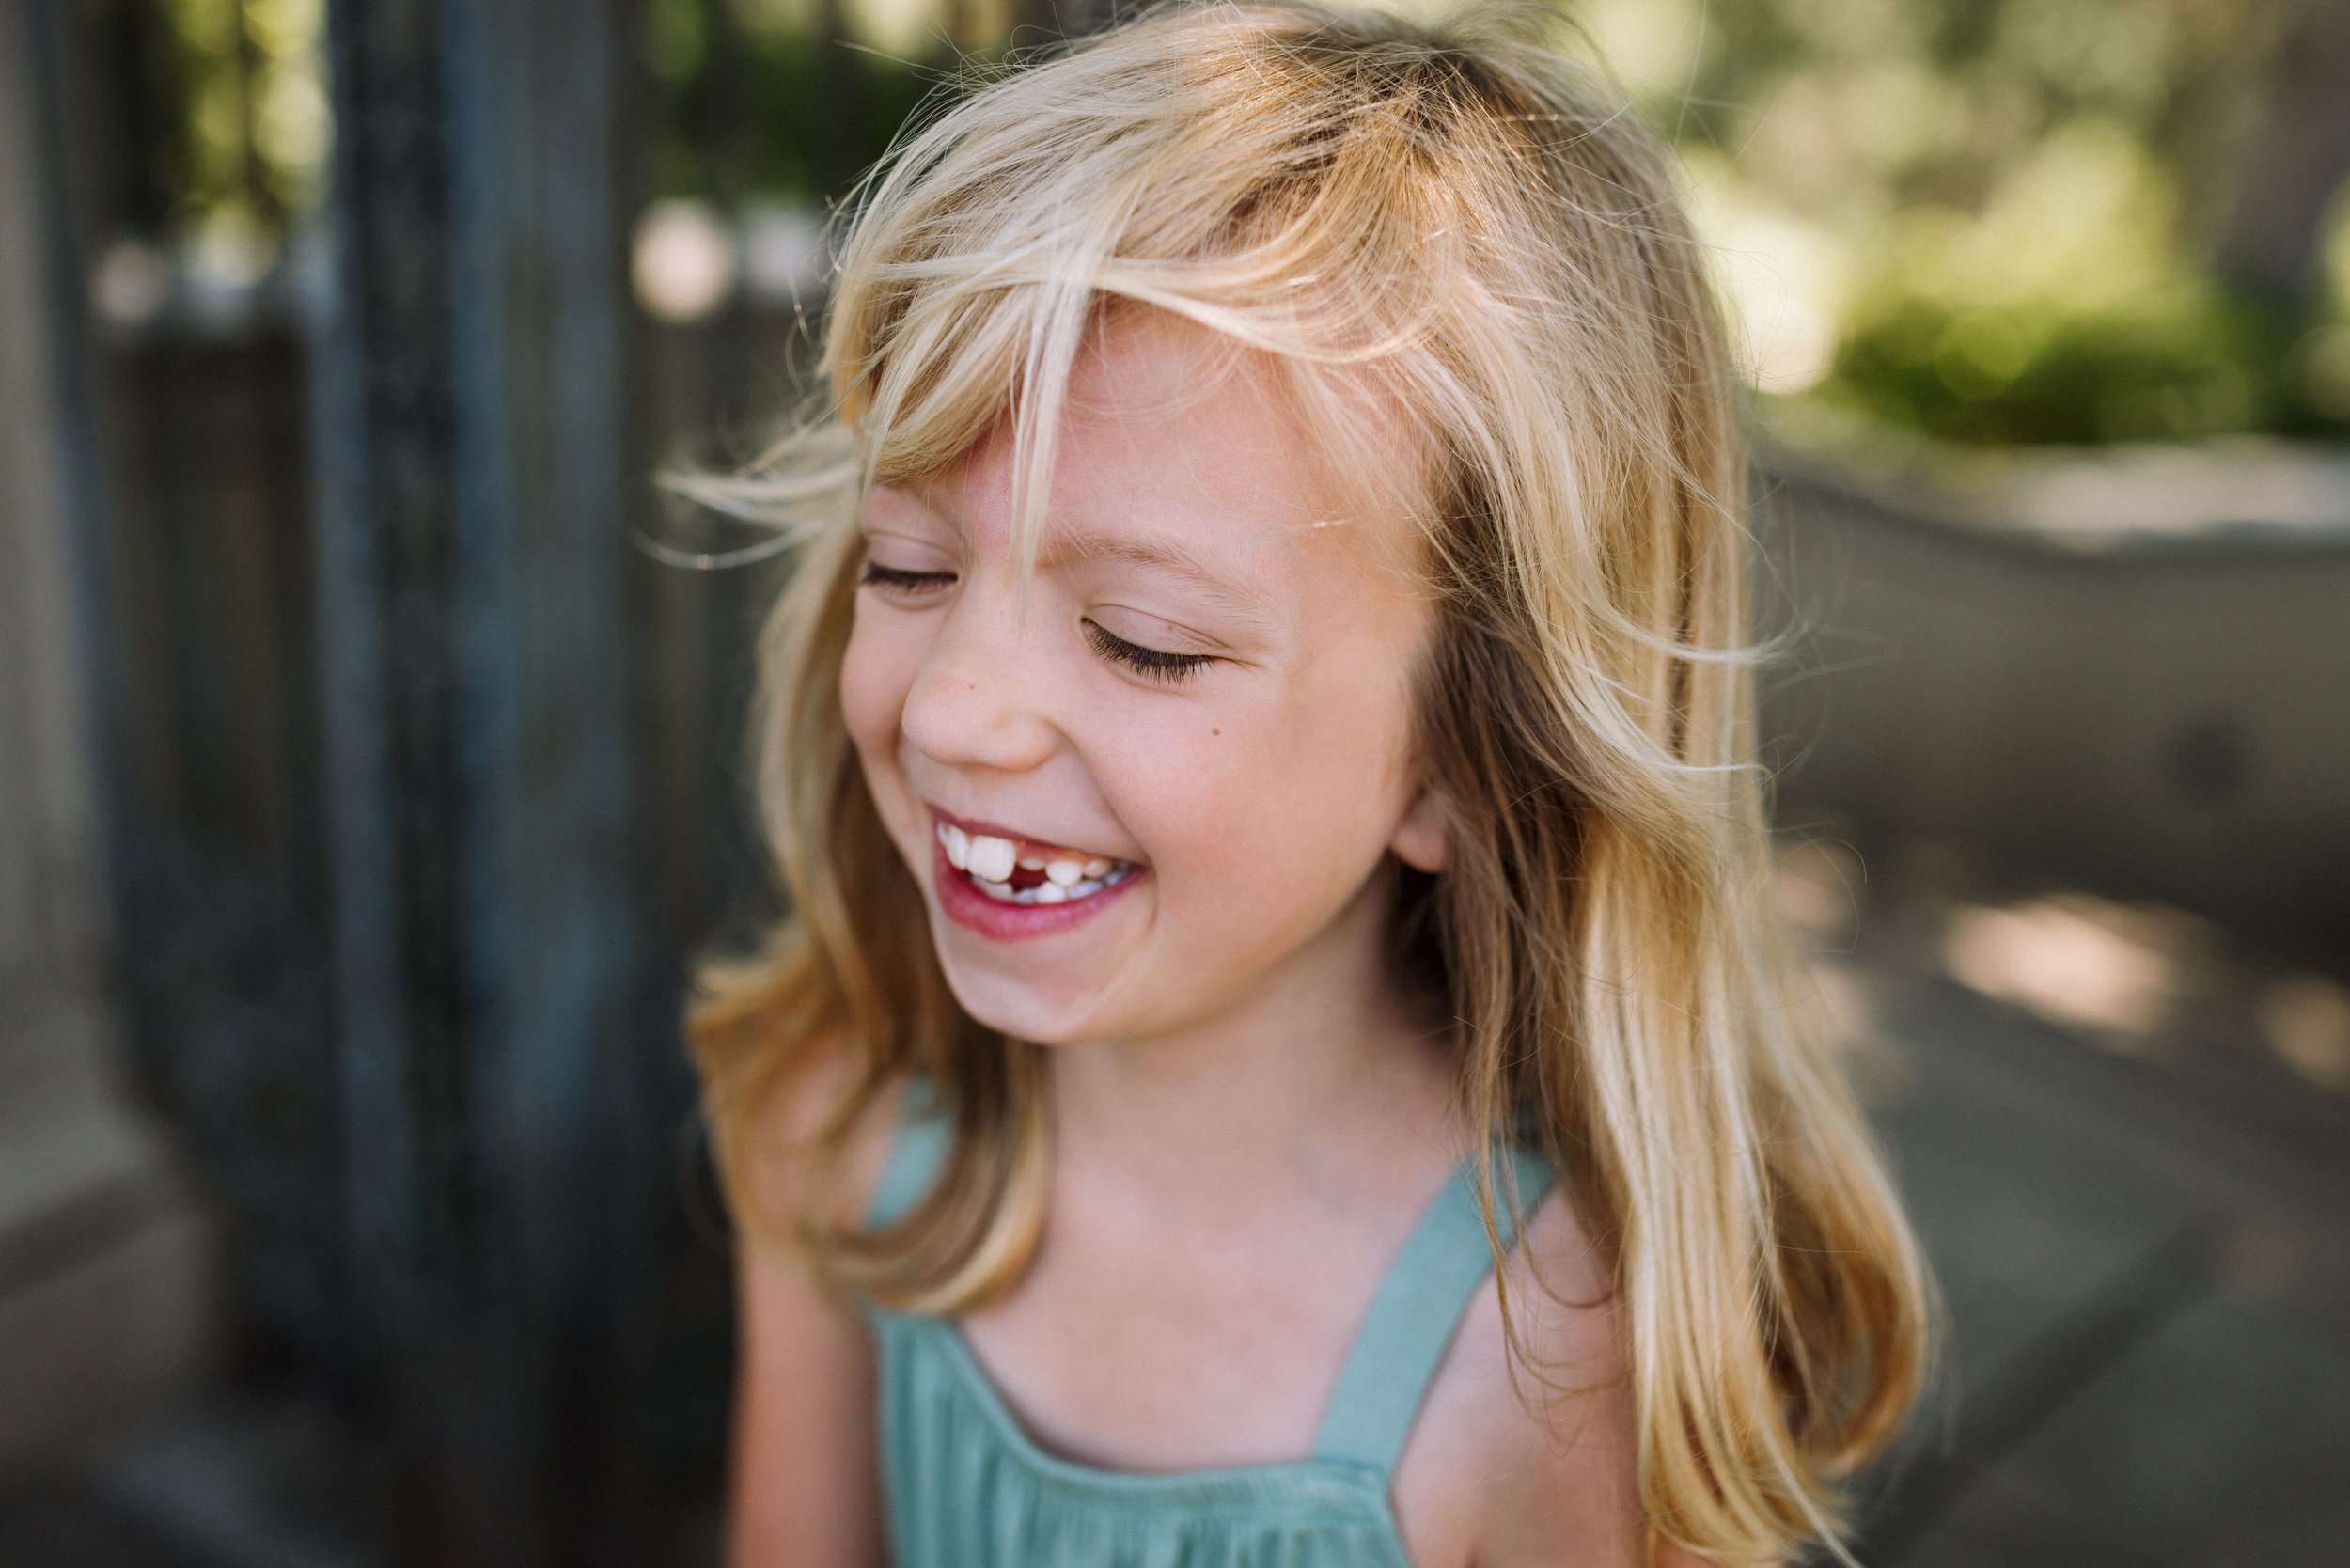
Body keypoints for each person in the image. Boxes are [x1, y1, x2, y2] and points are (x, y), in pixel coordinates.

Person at [681, 5, 1930, 1564]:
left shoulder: (1544, 1373)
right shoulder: (838, 1127)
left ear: (1470, 760)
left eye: (1143, 643)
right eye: (910, 564)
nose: (955, 710)